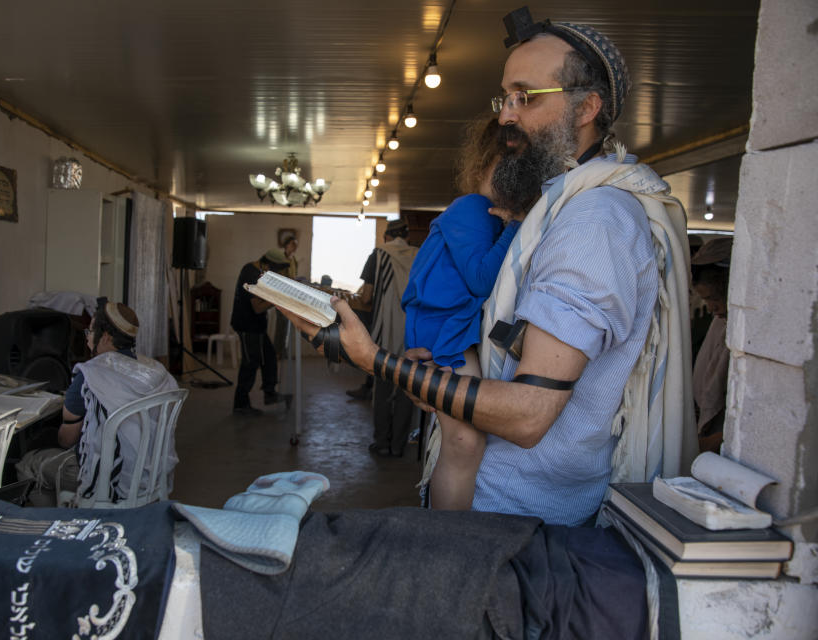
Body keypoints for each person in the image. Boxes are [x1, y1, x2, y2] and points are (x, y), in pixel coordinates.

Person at [279, 8, 696, 526]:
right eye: (505, 97)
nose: (504, 116)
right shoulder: (553, 212)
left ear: (587, 106)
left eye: (526, 96)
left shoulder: (595, 221)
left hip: (512, 529)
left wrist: (373, 360)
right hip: (493, 515)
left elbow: (526, 414)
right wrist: (422, 371)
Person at [401, 116, 521, 509]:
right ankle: (449, 541)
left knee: (463, 441)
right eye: (508, 159)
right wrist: (516, 224)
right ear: (487, 160)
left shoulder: (479, 208)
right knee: (463, 442)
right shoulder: (473, 207)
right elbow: (480, 280)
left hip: (447, 326)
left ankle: (448, 536)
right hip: (442, 329)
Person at [16, 299, 180, 506]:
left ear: (106, 337)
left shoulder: (91, 375)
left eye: (90, 333)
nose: (87, 340)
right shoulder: (156, 370)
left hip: (108, 481)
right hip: (152, 473)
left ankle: (53, 525)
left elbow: (66, 440)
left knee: (29, 463)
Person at [358, 219, 419, 456]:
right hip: (413, 334)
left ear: (386, 237)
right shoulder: (418, 254)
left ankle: (382, 441)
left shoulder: (379, 254)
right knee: (406, 388)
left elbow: (366, 297)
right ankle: (398, 446)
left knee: (383, 390)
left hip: (385, 333)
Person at [231, 249, 292, 416]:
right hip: (247, 325)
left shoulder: (258, 271)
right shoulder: (251, 274)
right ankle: (240, 404)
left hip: (256, 326)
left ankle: (270, 394)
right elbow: (257, 307)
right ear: (266, 264)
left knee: (269, 356)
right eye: (275, 270)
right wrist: (279, 299)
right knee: (250, 362)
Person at [690, 237, 733, 454]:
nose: (711, 306)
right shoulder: (719, 321)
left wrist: (716, 440)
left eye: (715, 297)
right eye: (706, 299)